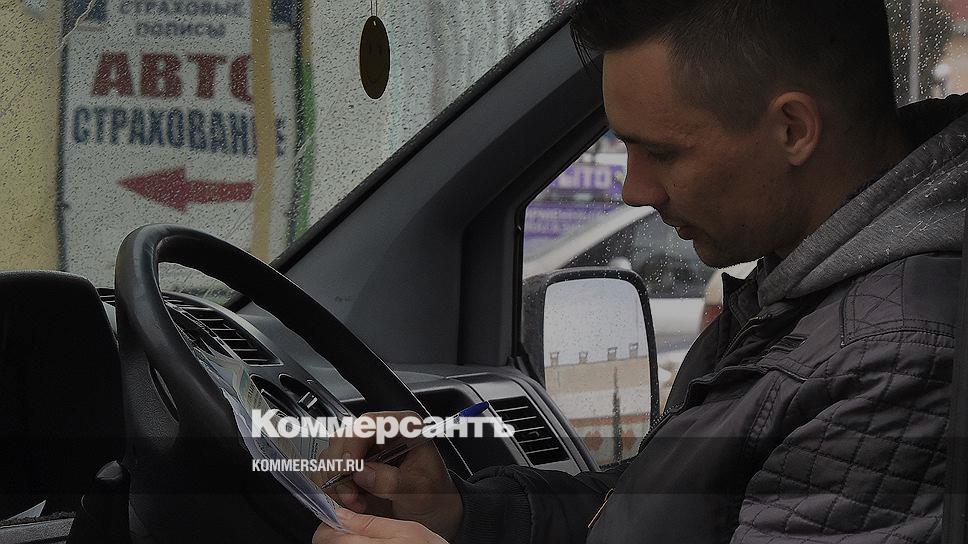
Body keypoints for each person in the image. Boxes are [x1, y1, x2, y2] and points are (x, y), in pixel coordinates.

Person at [313, 0, 967, 542]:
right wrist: (463, 516)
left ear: (794, 129)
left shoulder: (894, 358)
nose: (634, 190)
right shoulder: (808, 294)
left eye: (661, 152)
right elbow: (649, 513)